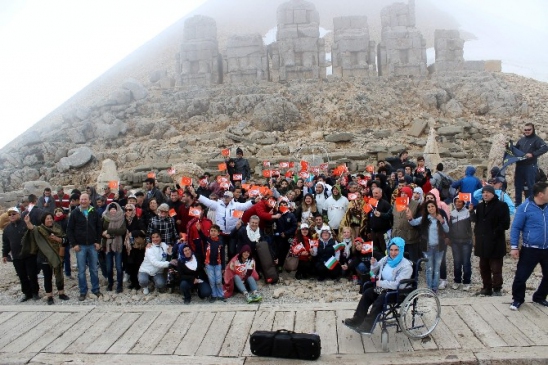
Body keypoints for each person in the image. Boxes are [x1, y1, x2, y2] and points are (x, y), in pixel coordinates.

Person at [343, 237, 413, 334]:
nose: (393, 253)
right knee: (367, 293)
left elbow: (399, 285)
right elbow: (374, 271)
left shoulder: (406, 266)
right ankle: (357, 320)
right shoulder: (386, 259)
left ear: (401, 250)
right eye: (391, 250)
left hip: (397, 292)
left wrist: (382, 283)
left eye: (396, 250)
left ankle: (367, 326)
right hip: (384, 289)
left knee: (380, 299)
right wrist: (374, 264)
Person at [509, 182, 548, 310]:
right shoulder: (524, 207)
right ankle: (517, 299)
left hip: (546, 248)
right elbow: (516, 228)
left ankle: (539, 297)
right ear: (541, 194)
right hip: (530, 249)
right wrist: (514, 247)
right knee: (522, 276)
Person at [470, 185, 510, 296]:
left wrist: (494, 233)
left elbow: (505, 224)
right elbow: (476, 221)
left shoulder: (502, 205)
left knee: (496, 268)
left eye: (487, 192)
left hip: (495, 242)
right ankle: (487, 287)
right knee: (484, 267)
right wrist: (471, 212)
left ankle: (497, 288)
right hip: (482, 242)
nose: (485, 194)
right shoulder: (481, 206)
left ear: (493, 193)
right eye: (483, 192)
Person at [24, 212, 69, 304]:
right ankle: (49, 296)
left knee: (59, 275)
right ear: (43, 220)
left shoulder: (58, 228)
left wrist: (58, 239)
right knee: (47, 277)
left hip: (58, 256)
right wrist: (28, 222)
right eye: (47, 219)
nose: (50, 220)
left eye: (51, 218)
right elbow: (32, 228)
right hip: (45, 257)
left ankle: (61, 293)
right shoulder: (40, 229)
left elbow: (65, 240)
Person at [66, 193, 103, 301]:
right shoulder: (75, 213)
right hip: (80, 246)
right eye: (81, 199)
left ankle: (95, 289)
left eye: (85, 199)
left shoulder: (94, 212)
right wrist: (74, 244)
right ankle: (83, 291)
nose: (83, 201)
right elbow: (70, 230)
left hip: (92, 245)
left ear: (89, 201)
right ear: (79, 201)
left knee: (94, 269)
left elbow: (99, 227)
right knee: (81, 270)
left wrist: (98, 241)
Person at [408, 201, 449, 292]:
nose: (431, 208)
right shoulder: (424, 218)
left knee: (437, 268)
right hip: (427, 247)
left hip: (439, 247)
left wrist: (442, 221)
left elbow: (447, 229)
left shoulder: (440, 217)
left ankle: (435, 288)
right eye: (428, 207)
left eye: (432, 206)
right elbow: (414, 223)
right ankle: (429, 288)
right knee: (429, 268)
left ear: (436, 207)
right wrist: (410, 218)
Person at [2, 207, 40, 302]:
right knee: (22, 276)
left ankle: (35, 292)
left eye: (14, 214)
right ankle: (27, 293)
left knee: (32, 275)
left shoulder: (25, 224)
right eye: (10, 215)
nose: (12, 216)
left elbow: (34, 232)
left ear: (18, 214)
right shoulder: (7, 229)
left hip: (29, 255)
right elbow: (6, 243)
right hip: (16, 256)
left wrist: (28, 223)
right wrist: (4, 254)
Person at [514, 122, 548, 205]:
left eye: (529, 129)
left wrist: (533, 154)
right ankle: (518, 205)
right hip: (520, 165)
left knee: (530, 186)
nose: (527, 131)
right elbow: (515, 149)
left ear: (533, 130)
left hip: (530, 166)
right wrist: (509, 147)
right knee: (518, 186)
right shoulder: (521, 140)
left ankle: (531, 204)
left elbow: (545, 147)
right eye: (525, 130)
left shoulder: (537, 139)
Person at [196, 222, 226, 302]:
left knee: (218, 281)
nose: (213, 232)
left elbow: (223, 255)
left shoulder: (220, 243)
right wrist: (199, 230)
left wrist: (223, 267)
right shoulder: (207, 240)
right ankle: (214, 295)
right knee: (212, 281)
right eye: (211, 231)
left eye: (215, 231)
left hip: (218, 264)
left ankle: (221, 294)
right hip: (209, 264)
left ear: (218, 233)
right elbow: (202, 236)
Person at [101, 202, 127, 293]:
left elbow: (122, 230)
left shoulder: (121, 217)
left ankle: (119, 285)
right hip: (107, 245)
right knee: (109, 267)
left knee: (119, 267)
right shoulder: (105, 217)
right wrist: (104, 235)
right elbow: (100, 229)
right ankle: (110, 284)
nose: (112, 211)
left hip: (118, 245)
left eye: (114, 209)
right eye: (111, 209)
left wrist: (108, 231)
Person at [449, 198, 473, 291]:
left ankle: (467, 282)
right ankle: (457, 281)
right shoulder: (452, 213)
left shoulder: (468, 212)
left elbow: (474, 219)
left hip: (466, 241)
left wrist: (471, 211)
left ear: (463, 203)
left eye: (460, 202)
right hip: (455, 242)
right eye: (456, 202)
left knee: (466, 262)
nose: (458, 203)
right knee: (457, 262)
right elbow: (450, 227)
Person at [123, 203, 146, 290]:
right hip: (128, 247)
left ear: (134, 210)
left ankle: (138, 283)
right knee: (130, 264)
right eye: (126, 210)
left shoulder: (138, 219)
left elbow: (144, 231)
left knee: (137, 264)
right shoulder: (123, 220)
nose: (128, 212)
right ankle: (133, 282)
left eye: (130, 210)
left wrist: (133, 233)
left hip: (137, 247)